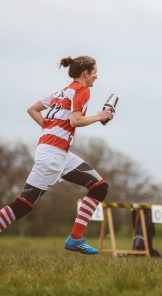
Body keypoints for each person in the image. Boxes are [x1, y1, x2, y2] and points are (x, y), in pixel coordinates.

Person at [0, 55, 114, 254]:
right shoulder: (82, 90)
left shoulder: (62, 92)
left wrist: (50, 129)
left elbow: (33, 109)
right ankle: (75, 238)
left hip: (59, 153)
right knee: (23, 205)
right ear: (85, 73)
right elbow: (75, 121)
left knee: (99, 186)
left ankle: (75, 238)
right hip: (52, 156)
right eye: (95, 72)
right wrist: (99, 116)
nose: (96, 76)